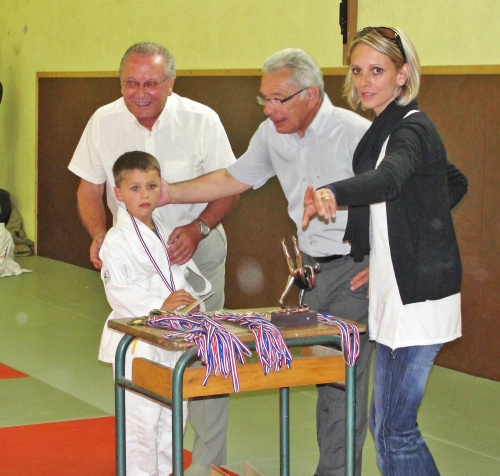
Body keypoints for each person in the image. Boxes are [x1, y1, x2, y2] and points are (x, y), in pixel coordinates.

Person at [160, 48, 374, 476]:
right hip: (310, 269)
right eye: (264, 99)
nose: (270, 109)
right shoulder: (271, 134)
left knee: (341, 380)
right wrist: (168, 192)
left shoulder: (356, 133)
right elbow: (232, 178)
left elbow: (401, 195)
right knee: (317, 374)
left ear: (310, 95)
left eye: (279, 99)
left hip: (355, 269)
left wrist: (385, 263)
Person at [302, 27, 468, 475]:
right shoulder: (385, 128)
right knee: (387, 424)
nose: (364, 81)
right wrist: (401, 242)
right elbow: (451, 182)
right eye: (357, 70)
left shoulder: (411, 129)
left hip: (419, 300)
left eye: (377, 70)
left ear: (402, 75)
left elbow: (391, 180)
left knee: (394, 431)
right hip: (396, 289)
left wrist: (332, 192)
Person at [68, 42, 237, 476]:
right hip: (134, 256)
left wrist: (198, 229)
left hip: (194, 249)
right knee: (149, 390)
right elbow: (89, 188)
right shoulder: (103, 121)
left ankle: (206, 465)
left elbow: (230, 185)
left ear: (170, 83)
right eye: (130, 83)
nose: (140, 92)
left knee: (205, 359)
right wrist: (99, 234)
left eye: (151, 83)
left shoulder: (201, 120)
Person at [99, 151, 211, 475]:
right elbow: (117, 292)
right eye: (134, 188)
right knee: (141, 428)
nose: (144, 194)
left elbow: (179, 279)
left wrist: (191, 303)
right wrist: (161, 307)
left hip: (172, 339)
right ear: (118, 193)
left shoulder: (163, 228)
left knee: (173, 421)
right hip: (139, 342)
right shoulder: (116, 240)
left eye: (151, 185)